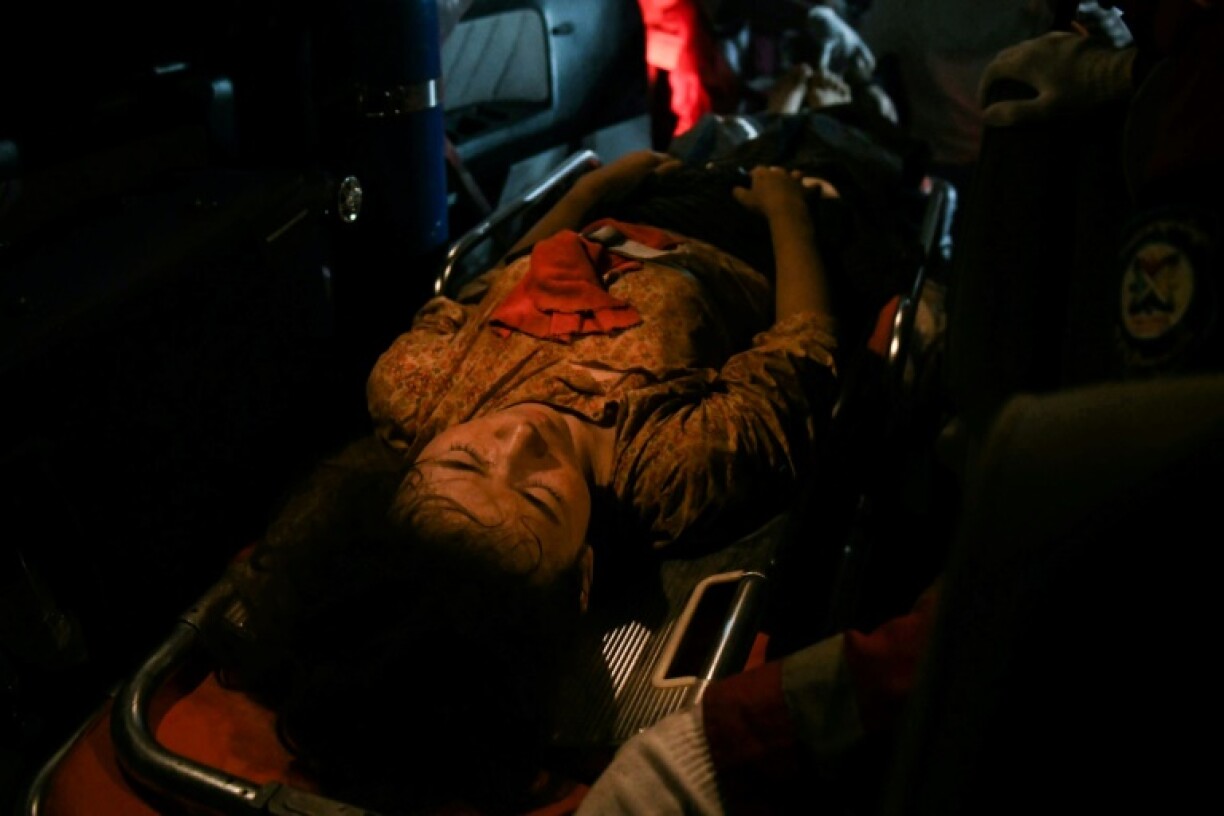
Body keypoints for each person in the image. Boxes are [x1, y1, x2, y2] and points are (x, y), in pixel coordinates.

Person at [210, 107, 928, 815]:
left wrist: (592, 191)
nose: (518, 443)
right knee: (835, 127)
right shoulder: (670, 471)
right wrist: (786, 211)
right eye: (543, 499)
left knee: (710, 131)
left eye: (464, 465)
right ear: (585, 571)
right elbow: (800, 349)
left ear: (405, 475)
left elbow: (496, 284)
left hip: (632, 207)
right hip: (747, 237)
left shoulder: (416, 389)